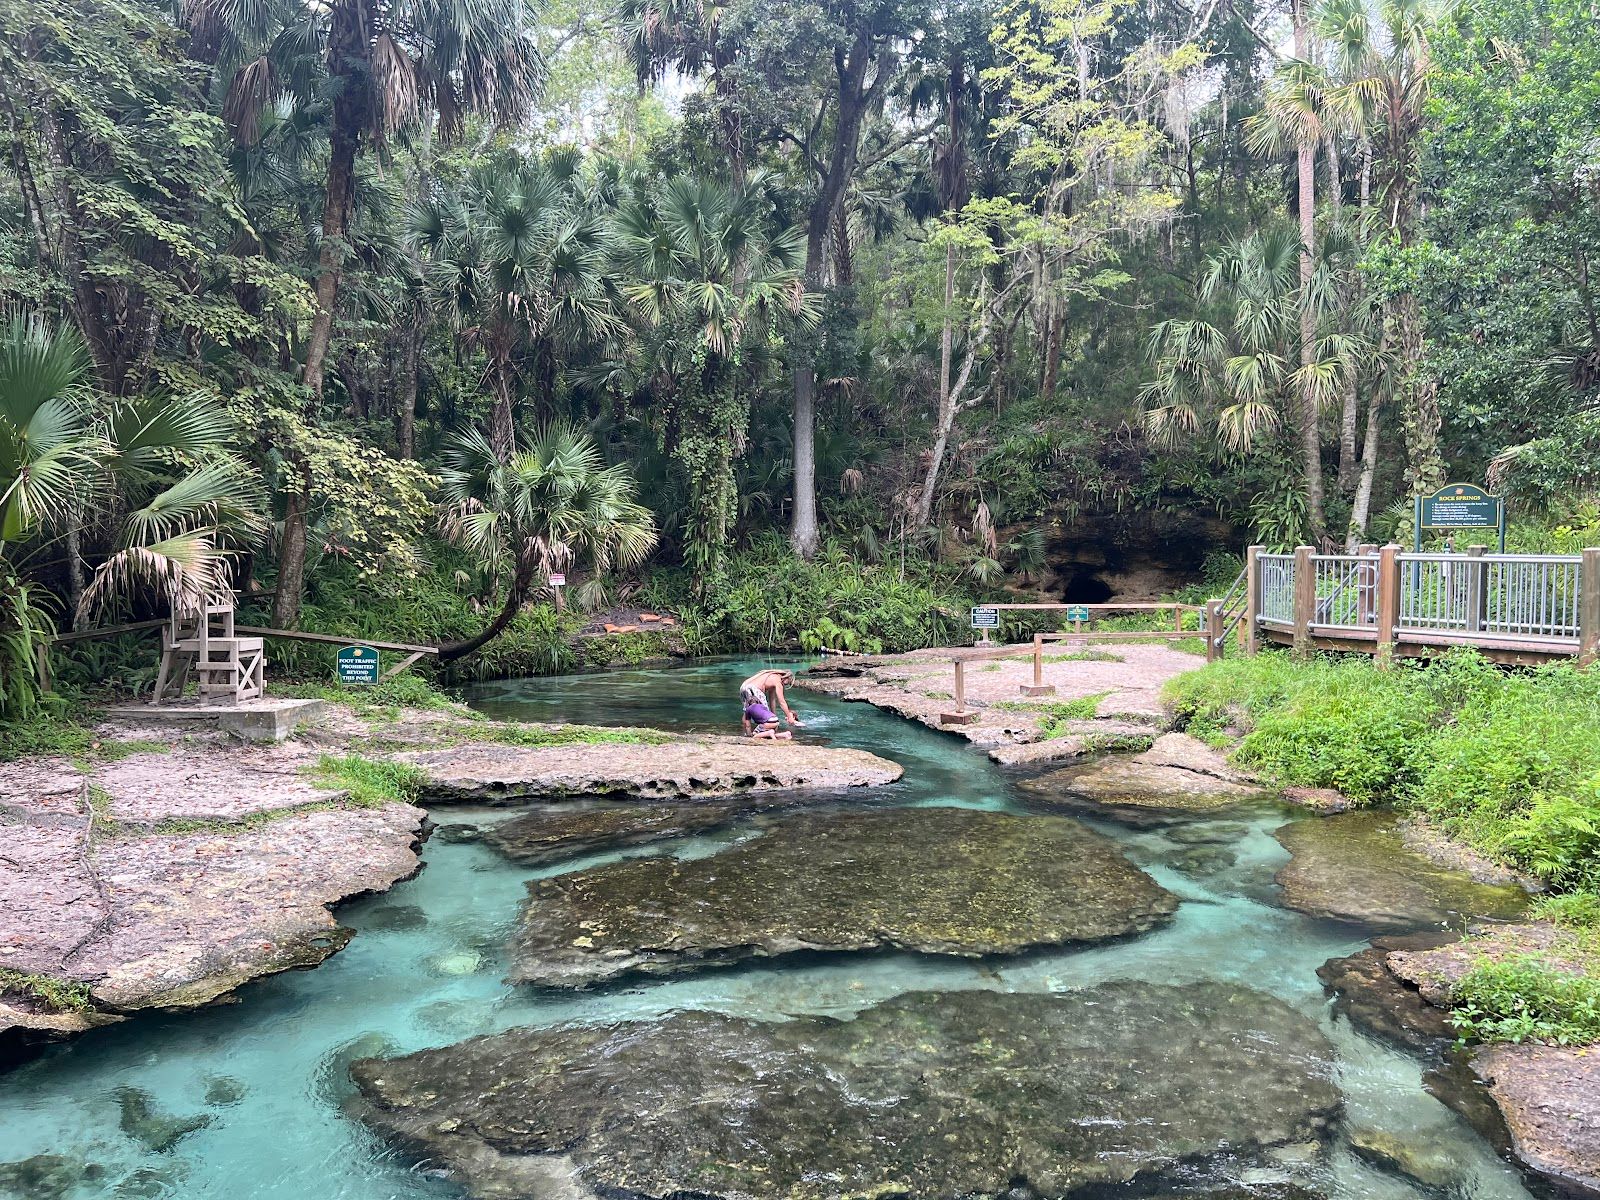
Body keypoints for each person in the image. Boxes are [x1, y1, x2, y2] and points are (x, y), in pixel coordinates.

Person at [740, 668, 802, 739]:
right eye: (787, 683)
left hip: (744, 687)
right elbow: (782, 702)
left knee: (747, 711)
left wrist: (773, 715)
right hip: (754, 689)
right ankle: (765, 733)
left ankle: (745, 732)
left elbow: (772, 699)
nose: (784, 685)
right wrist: (790, 717)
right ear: (787, 677)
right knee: (764, 714)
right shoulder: (778, 681)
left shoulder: (771, 676)